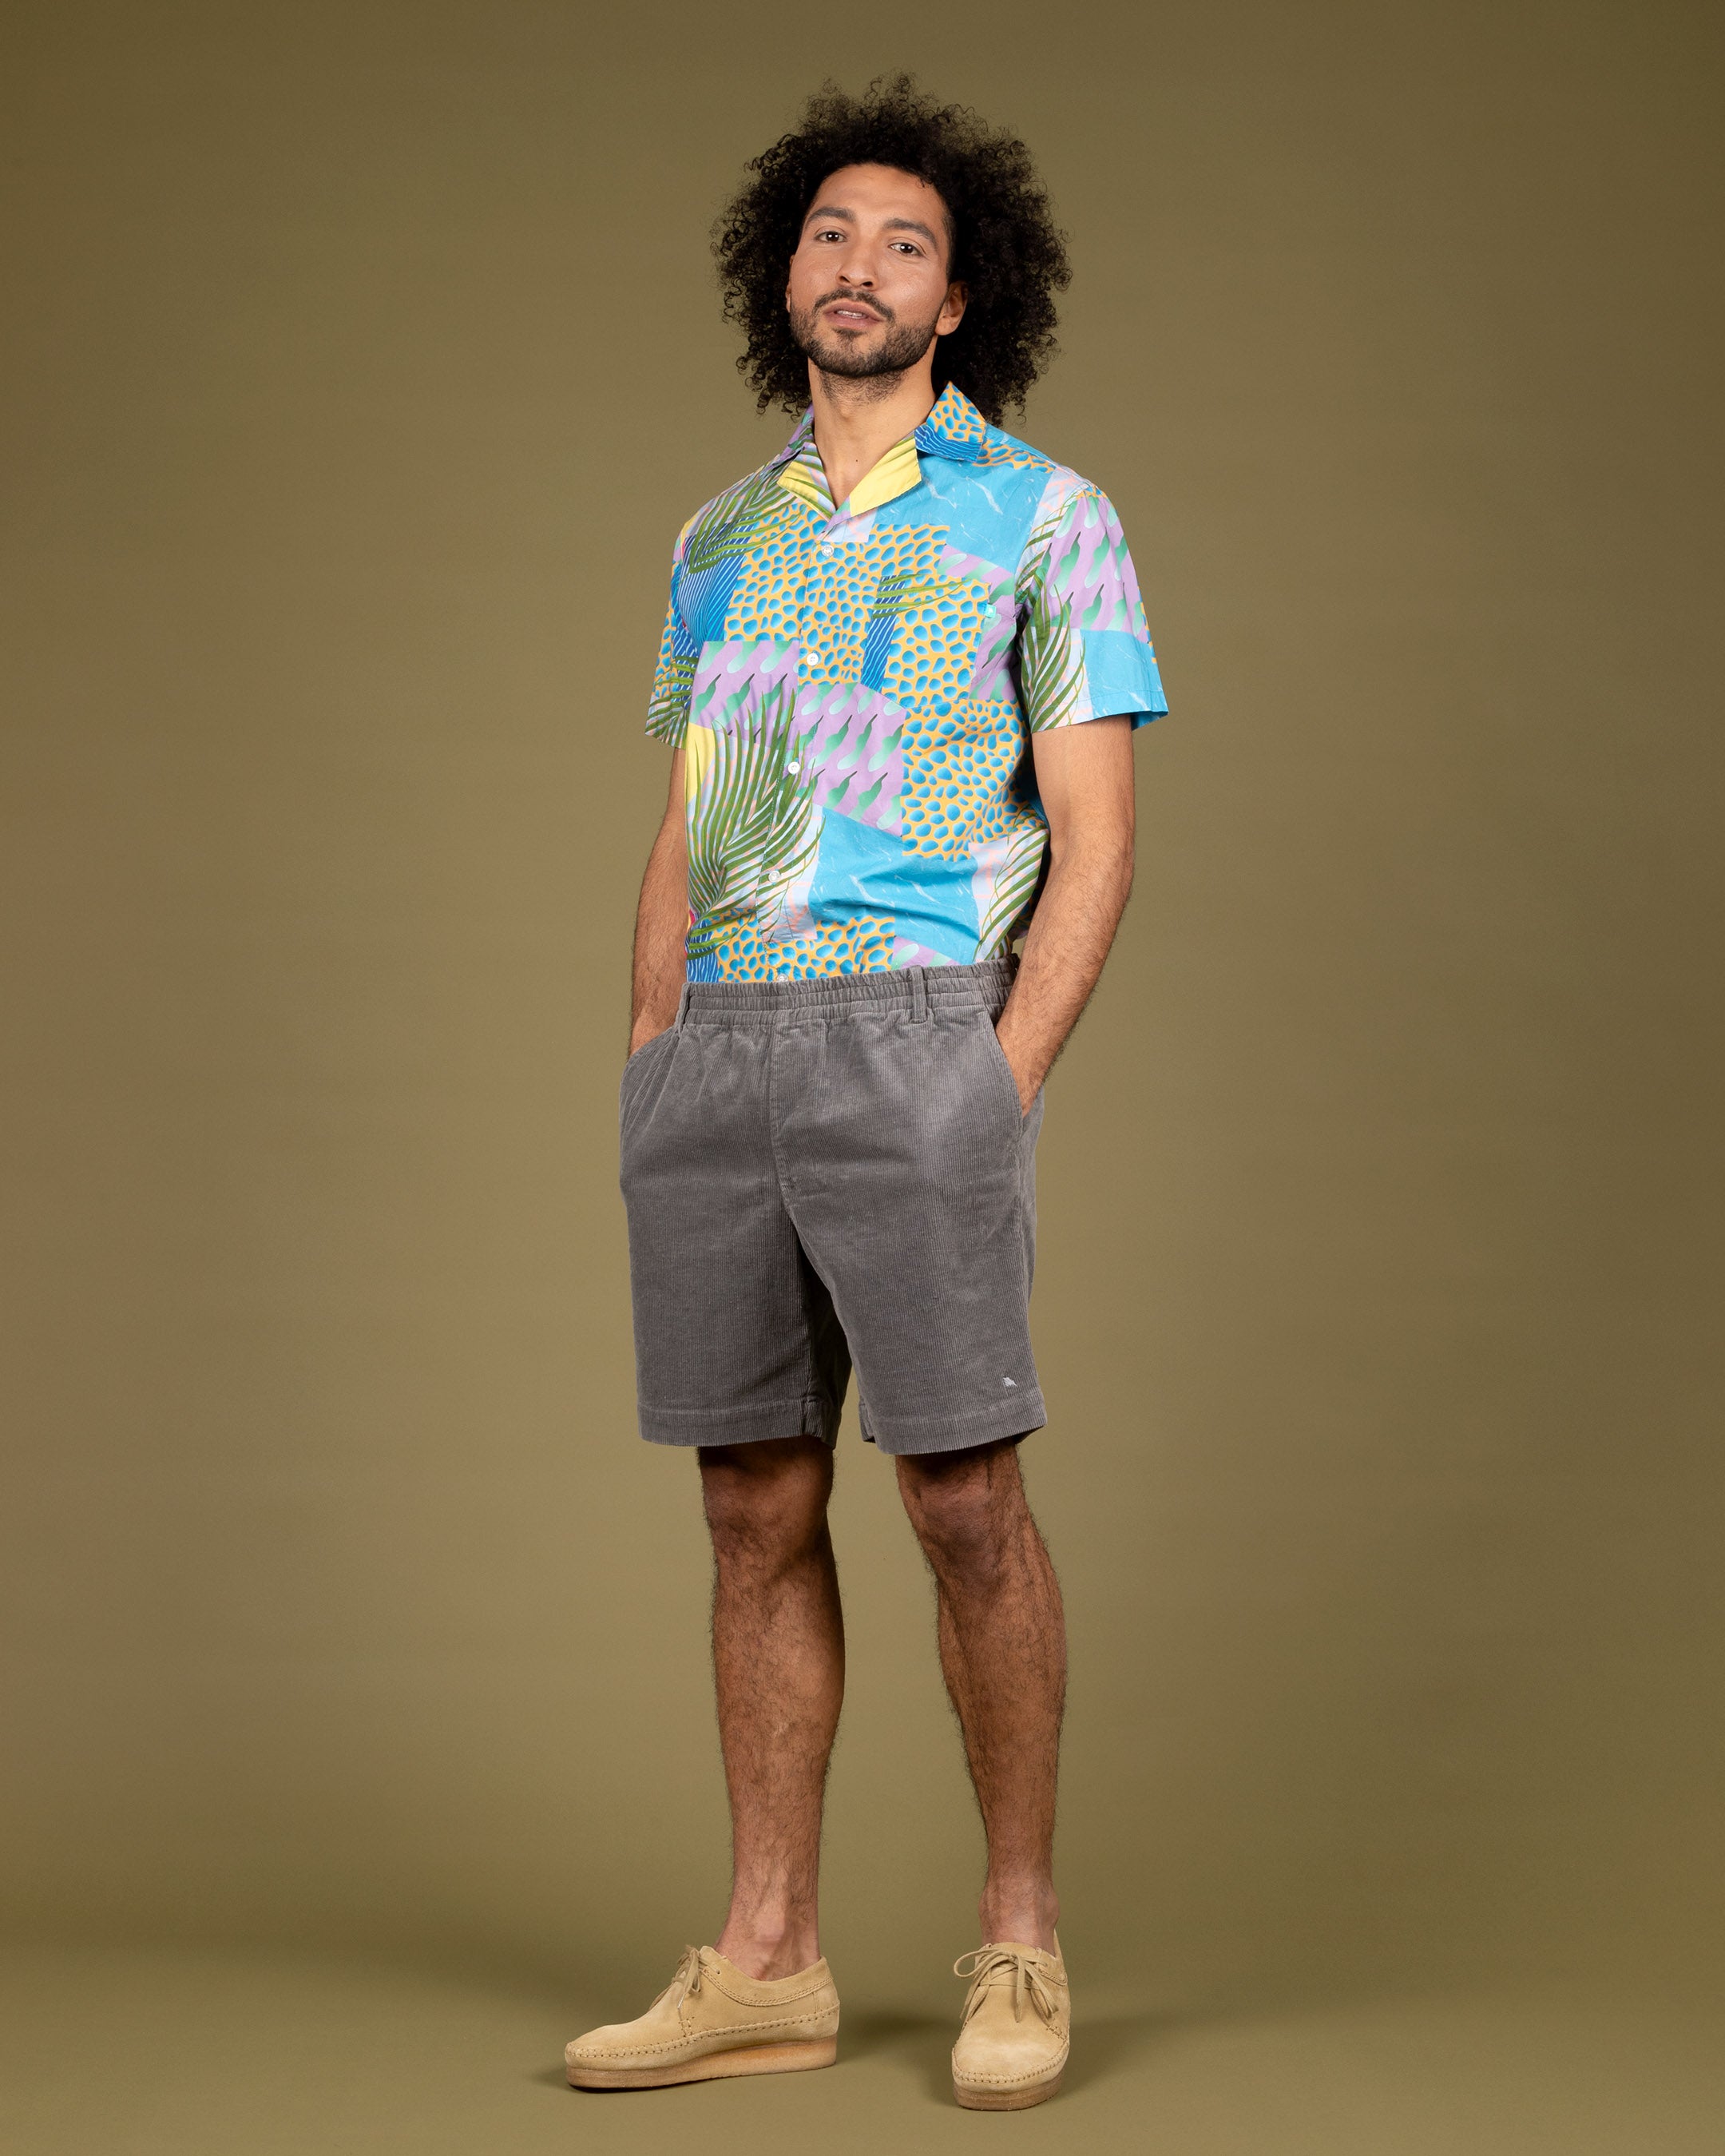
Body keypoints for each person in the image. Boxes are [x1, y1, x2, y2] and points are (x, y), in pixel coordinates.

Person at [565, 76, 1166, 2113]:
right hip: (719, 1048)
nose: (860, 266)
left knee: (963, 1500)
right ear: (783, 275)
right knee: (749, 1504)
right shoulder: (717, 539)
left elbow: (1099, 839)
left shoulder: (1047, 519)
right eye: (830, 233)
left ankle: (1020, 1940)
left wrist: (996, 1084)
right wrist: (650, 1047)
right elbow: (690, 819)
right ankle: (768, 1963)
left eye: (905, 243)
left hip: (921, 1035)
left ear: (960, 297)